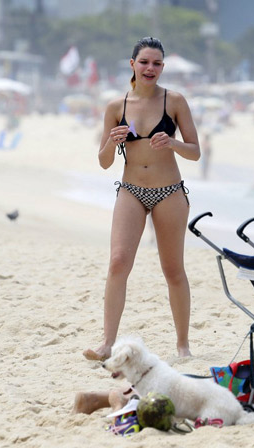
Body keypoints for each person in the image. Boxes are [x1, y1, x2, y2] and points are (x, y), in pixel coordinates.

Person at [83, 37, 200, 361]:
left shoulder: (174, 101)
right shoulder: (115, 106)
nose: (151, 68)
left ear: (162, 67)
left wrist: (173, 143)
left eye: (157, 63)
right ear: (132, 64)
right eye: (145, 62)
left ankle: (182, 345)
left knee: (172, 269)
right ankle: (106, 343)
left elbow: (195, 151)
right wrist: (111, 141)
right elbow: (105, 161)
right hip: (131, 190)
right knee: (118, 262)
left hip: (169, 192)